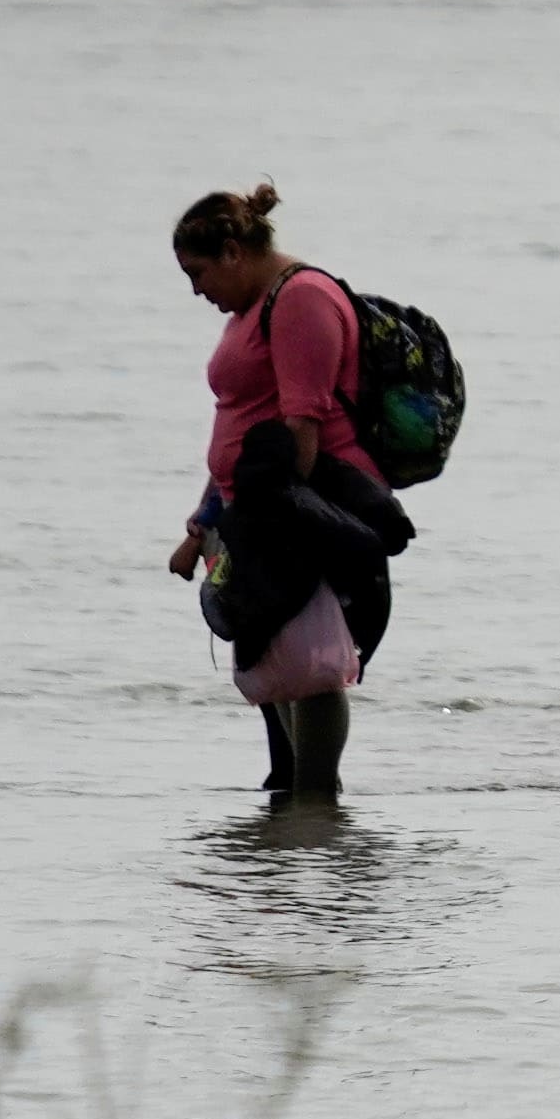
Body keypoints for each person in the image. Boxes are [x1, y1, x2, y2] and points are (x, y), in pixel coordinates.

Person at [161, 182, 407, 807]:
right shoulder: (253, 306)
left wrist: (275, 525)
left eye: (198, 273)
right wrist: (203, 525)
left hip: (305, 509)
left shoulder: (302, 299)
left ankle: (316, 804)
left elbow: (303, 425)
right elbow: (242, 418)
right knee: (273, 659)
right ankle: (290, 800)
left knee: (310, 666)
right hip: (248, 508)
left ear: (233, 252)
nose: (197, 290)